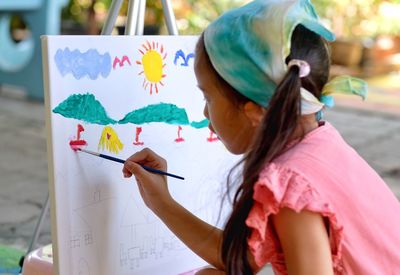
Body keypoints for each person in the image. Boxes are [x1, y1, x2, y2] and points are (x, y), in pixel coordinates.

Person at [122, 0, 400, 274]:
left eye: (208, 97)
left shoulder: (291, 187)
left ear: (253, 110)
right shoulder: (321, 142)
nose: (205, 112)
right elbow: (241, 259)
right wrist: (162, 202)